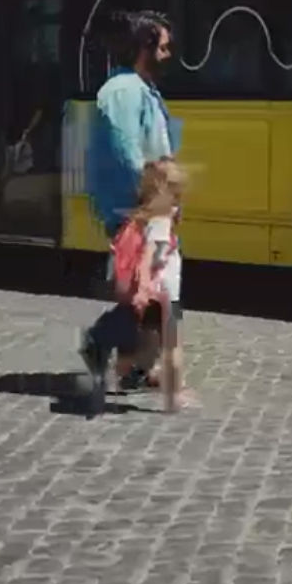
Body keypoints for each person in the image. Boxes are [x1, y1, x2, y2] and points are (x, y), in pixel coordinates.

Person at [85, 10, 181, 392]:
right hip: (136, 206)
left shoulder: (143, 89)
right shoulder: (123, 91)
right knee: (152, 288)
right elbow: (128, 154)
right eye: (163, 47)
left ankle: (133, 364)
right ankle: (106, 342)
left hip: (150, 203)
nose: (168, 54)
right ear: (144, 47)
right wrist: (152, 198)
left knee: (154, 287)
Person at [81, 158, 199, 414]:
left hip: (149, 294)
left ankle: (117, 377)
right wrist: (145, 286)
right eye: (178, 192)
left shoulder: (142, 215)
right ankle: (173, 397)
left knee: (143, 339)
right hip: (162, 294)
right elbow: (147, 256)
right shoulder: (160, 220)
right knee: (173, 345)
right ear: (169, 192)